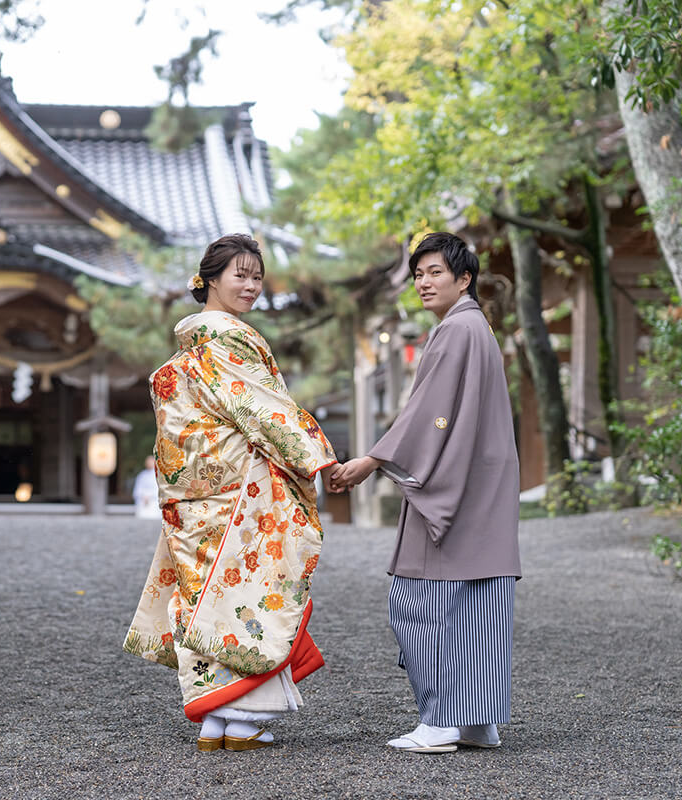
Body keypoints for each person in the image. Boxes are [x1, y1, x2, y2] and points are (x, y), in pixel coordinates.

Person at [123, 233, 339, 752]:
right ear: (210, 280)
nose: (251, 285)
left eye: (257, 277)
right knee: (247, 591)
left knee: (205, 598)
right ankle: (242, 718)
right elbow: (264, 409)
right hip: (241, 494)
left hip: (193, 499)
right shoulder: (226, 340)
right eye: (240, 275)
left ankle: (214, 719)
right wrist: (318, 458)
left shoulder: (189, 350)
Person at [331, 232, 521, 754]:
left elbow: (427, 412)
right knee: (480, 605)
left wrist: (371, 459)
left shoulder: (456, 330)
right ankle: (478, 721)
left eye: (435, 271)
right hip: (481, 482)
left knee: (419, 600)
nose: (424, 282)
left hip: (453, 487)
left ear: (464, 279)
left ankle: (440, 722)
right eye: (418, 274)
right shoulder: (475, 327)